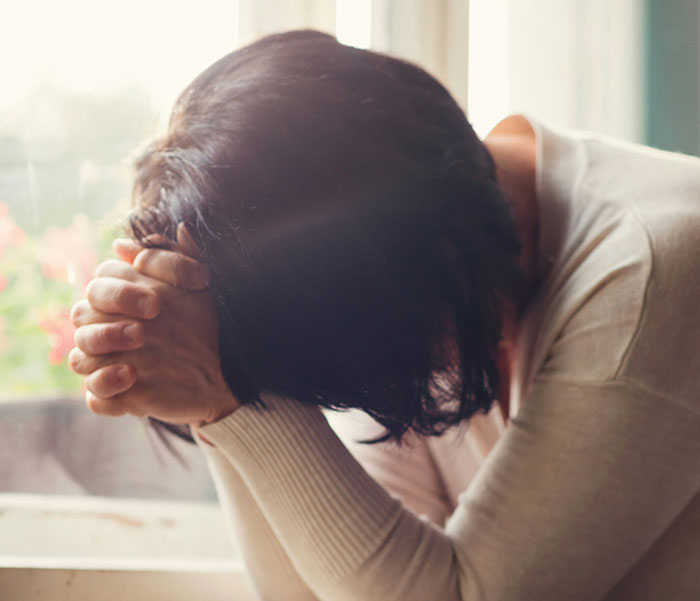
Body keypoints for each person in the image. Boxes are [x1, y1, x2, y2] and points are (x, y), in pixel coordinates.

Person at [68, 30, 700, 601]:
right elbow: (320, 592)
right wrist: (215, 380)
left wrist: (227, 393)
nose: (390, 384)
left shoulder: (658, 267)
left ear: (435, 250)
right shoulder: (409, 281)